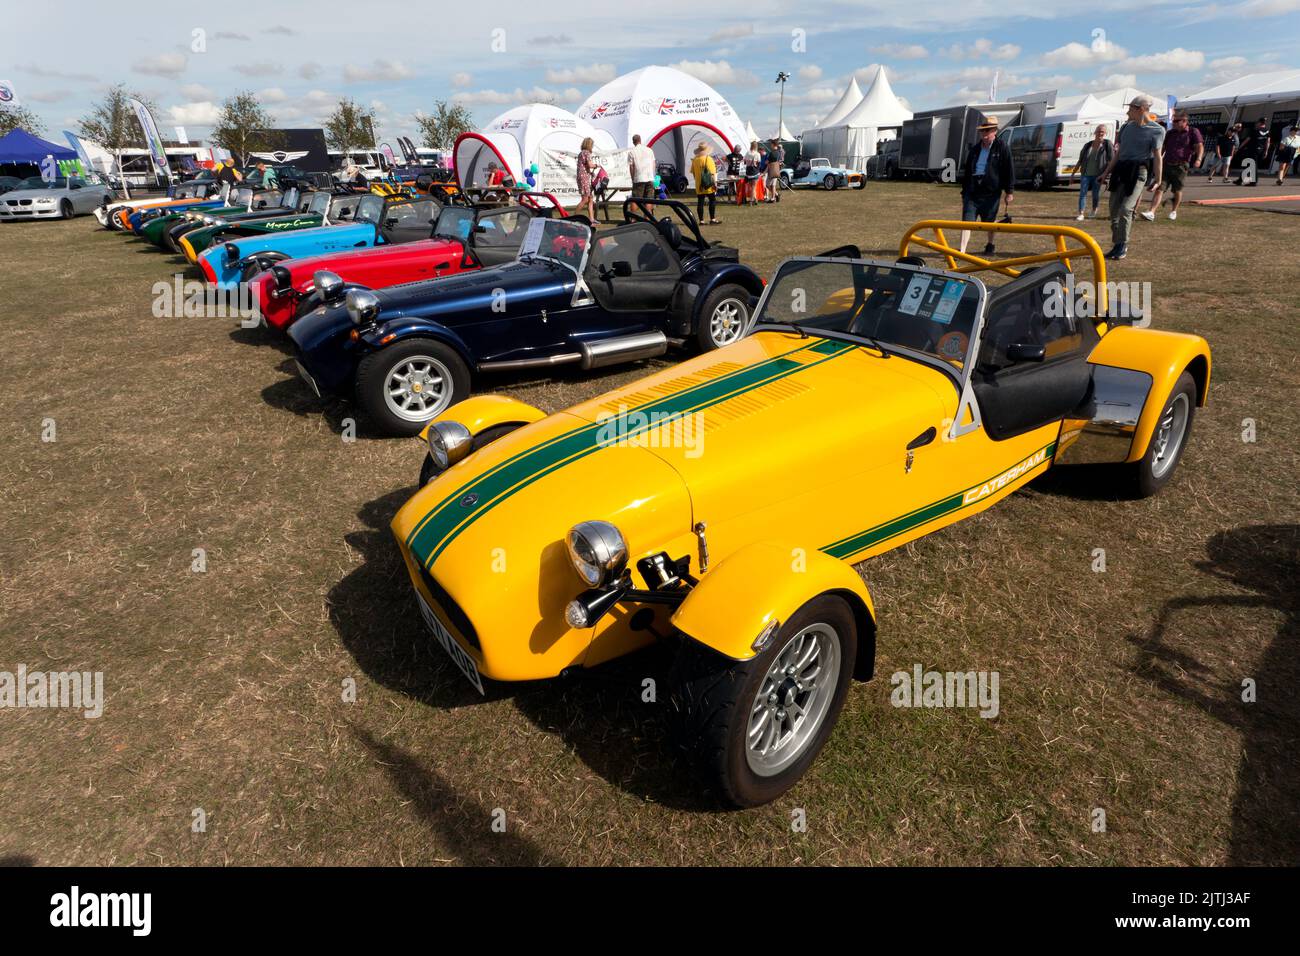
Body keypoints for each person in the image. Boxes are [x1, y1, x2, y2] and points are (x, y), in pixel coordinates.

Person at [1099, 95, 1164, 260]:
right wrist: (1106, 172)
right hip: (1121, 170)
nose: (1128, 112)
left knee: (1126, 209)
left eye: (1131, 108)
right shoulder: (1127, 127)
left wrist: (1158, 179)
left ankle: (1122, 245)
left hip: (1138, 171)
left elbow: (1157, 156)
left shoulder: (1157, 130)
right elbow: (1118, 153)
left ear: (1141, 109)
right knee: (1113, 211)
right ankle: (1117, 244)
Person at [958, 115, 1014, 256]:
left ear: (995, 131)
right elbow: (968, 171)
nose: (984, 134)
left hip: (991, 191)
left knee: (989, 222)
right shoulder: (975, 149)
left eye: (988, 131)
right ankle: (962, 251)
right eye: (983, 131)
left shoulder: (1002, 147)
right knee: (967, 221)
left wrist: (1009, 191)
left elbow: (1009, 169)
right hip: (973, 190)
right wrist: (964, 192)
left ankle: (990, 245)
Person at [1140, 110, 1202, 223]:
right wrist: (1157, 159)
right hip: (1166, 164)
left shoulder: (1193, 132)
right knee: (1160, 188)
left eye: (1176, 120)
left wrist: (1198, 159)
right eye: (1173, 120)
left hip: (1181, 166)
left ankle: (1174, 211)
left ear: (1184, 121)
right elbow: (1162, 148)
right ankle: (1151, 212)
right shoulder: (1170, 133)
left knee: (1177, 190)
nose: (1173, 122)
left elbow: (1199, 146)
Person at [1075, 125, 1112, 220]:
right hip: (1085, 174)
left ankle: (1094, 209)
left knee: (1095, 194)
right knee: (1082, 193)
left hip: (1098, 175)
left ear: (1105, 133)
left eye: (1102, 132)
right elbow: (1080, 160)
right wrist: (1072, 174)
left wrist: (1105, 174)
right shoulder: (1088, 145)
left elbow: (1111, 160)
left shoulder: (1107, 144)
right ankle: (1081, 213)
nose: (1100, 133)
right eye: (1099, 131)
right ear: (1095, 132)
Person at [691, 141, 720, 224]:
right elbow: (712, 173)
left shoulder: (695, 160)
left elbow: (693, 173)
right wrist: (715, 184)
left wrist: (697, 181)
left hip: (699, 184)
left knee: (700, 201)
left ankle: (701, 220)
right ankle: (712, 219)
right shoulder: (709, 159)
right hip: (708, 184)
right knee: (712, 200)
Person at [1236, 118, 1271, 186]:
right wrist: (1266, 151)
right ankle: (1240, 180)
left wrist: (1240, 147)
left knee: (1252, 165)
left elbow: (1247, 139)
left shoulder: (1255, 130)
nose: (1256, 124)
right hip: (1260, 150)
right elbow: (1268, 141)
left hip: (1252, 149)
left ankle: (1253, 182)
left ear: (1260, 123)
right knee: (1249, 164)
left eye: (1257, 122)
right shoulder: (1267, 131)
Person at [576, 137, 599, 223]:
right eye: (592, 145)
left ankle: (592, 219)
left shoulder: (581, 153)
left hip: (583, 177)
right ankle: (574, 217)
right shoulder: (587, 153)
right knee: (585, 199)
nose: (592, 147)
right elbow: (590, 165)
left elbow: (585, 166)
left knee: (590, 199)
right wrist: (597, 165)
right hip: (584, 178)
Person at [628, 134, 656, 199]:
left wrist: (633, 179)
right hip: (650, 178)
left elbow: (631, 167)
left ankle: (631, 210)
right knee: (649, 200)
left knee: (636, 200)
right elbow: (653, 164)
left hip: (639, 178)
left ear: (633, 142)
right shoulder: (649, 150)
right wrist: (653, 176)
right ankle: (648, 210)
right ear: (640, 140)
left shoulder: (632, 152)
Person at [765, 138, 783, 202]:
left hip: (771, 170)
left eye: (771, 144)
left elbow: (767, 162)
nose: (770, 146)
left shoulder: (771, 153)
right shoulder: (779, 153)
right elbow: (780, 161)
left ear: (773, 144)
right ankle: (775, 196)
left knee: (767, 184)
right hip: (777, 170)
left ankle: (774, 196)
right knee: (773, 185)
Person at [743, 141, 761, 206]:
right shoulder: (757, 154)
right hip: (755, 172)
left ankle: (755, 199)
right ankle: (751, 201)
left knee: (751, 187)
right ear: (756, 146)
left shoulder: (747, 153)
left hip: (748, 172)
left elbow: (744, 162)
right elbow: (759, 164)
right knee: (753, 187)